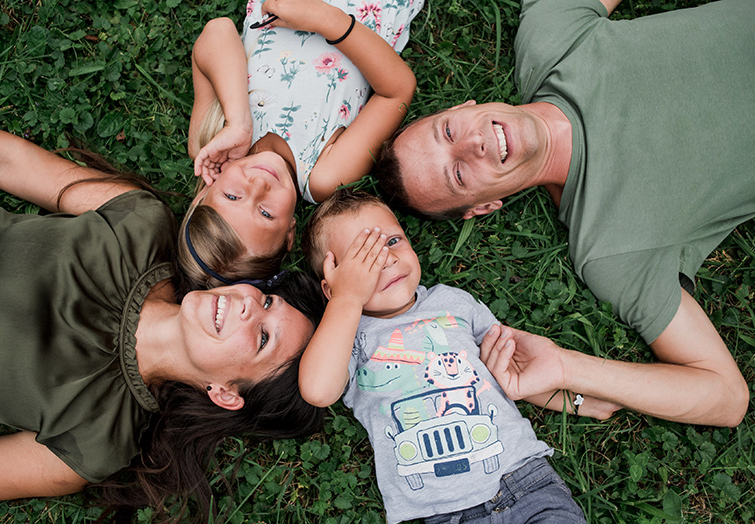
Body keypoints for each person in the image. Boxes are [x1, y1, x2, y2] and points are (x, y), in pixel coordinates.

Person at [375, 0, 754, 427]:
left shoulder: (551, 39)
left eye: (448, 131)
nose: (472, 144)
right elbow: (726, 397)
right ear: (483, 207)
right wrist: (567, 368)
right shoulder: (612, 251)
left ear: (462, 107)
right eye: (459, 174)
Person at [0, 122, 325, 518]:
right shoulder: (141, 224)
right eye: (269, 301)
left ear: (225, 393)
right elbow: (9, 163)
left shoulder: (97, 441)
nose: (248, 305)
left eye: (262, 338)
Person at [298, 189, 590, 523]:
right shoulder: (347, 337)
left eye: (392, 242)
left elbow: (511, 368)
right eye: (362, 259)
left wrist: (577, 401)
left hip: (523, 478)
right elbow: (318, 390)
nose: (386, 258)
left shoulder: (453, 302)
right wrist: (346, 300)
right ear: (331, 285)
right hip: (444, 513)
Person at [180, 0, 423, 288]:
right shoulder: (322, 175)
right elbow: (397, 91)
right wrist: (323, 18)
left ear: (202, 195)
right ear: (289, 234)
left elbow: (217, 32)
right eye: (266, 213)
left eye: (232, 196)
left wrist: (238, 122)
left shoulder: (210, 142)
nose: (258, 186)